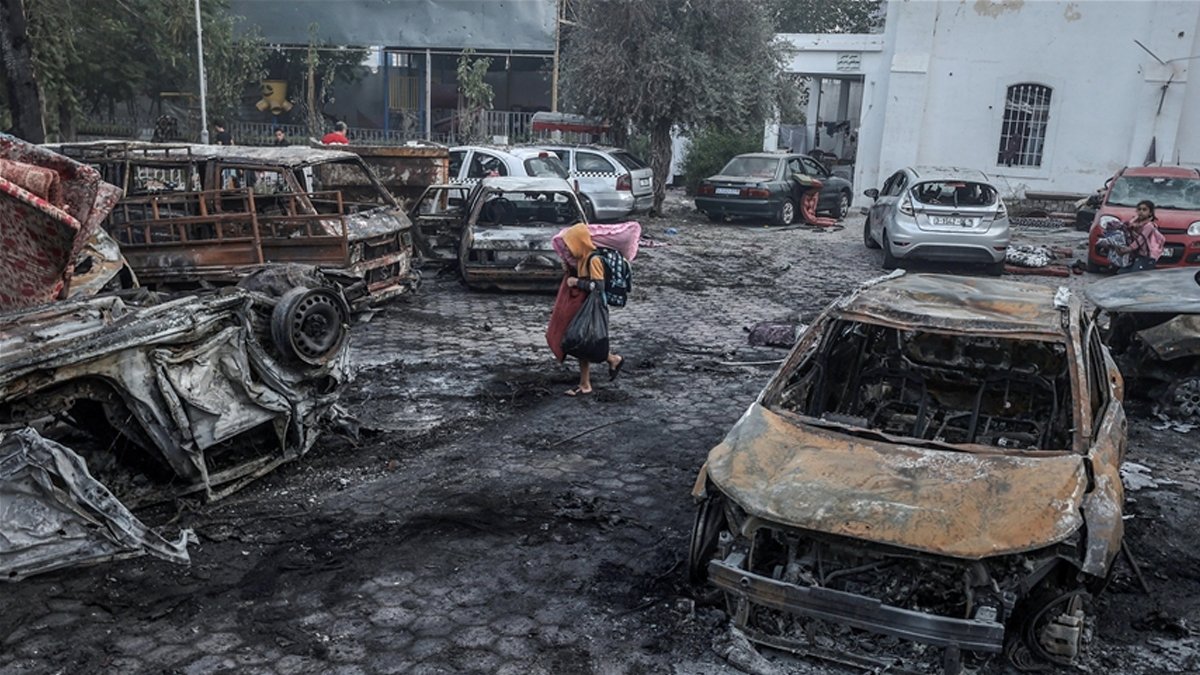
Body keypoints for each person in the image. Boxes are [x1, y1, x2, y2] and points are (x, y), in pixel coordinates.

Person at [549, 223, 624, 397]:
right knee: (582, 341)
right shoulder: (582, 259)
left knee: (585, 341)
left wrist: (577, 283)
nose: (568, 248)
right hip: (584, 306)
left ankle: (593, 377)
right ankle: (591, 378)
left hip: (594, 307)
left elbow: (598, 286)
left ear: (579, 242)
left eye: (570, 244)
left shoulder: (594, 260)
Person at [1113, 200, 1165, 274]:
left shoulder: (1149, 226)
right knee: (1121, 273)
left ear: (1150, 213)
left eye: (1144, 210)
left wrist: (1128, 249)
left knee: (1135, 276)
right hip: (1136, 256)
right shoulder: (1135, 224)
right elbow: (1127, 227)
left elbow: (1140, 240)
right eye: (1139, 209)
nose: (1141, 212)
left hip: (1146, 257)